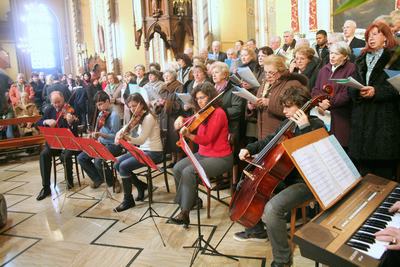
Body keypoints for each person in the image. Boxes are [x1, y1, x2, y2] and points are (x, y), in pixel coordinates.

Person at [237, 87, 325, 267]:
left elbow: (316, 156)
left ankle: (283, 260)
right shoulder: (286, 124)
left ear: (302, 107)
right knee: (243, 184)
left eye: (288, 107)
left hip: (305, 181)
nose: (284, 111)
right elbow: (268, 141)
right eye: (283, 107)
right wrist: (250, 149)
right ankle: (256, 229)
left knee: (272, 209)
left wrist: (305, 127)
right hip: (285, 177)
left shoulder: (316, 125)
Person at [170, 82, 233, 227]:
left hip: (220, 157)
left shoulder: (218, 113)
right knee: (178, 168)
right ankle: (194, 201)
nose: (200, 101)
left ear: (211, 96)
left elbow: (207, 140)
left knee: (189, 171)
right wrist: (181, 119)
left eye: (203, 97)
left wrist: (189, 135)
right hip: (204, 154)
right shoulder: (203, 112)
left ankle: (184, 212)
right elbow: (190, 121)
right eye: (197, 98)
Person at [348, 22, 400, 180]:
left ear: (385, 36)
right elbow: (352, 83)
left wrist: (376, 92)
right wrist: (357, 90)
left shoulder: (395, 57)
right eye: (368, 35)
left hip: (383, 120)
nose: (371, 38)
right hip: (361, 121)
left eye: (376, 34)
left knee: (383, 177)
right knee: (362, 176)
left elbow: (397, 86)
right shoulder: (361, 57)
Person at [113, 93, 163, 212]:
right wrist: (118, 134)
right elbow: (127, 127)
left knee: (124, 167)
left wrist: (127, 139)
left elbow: (141, 140)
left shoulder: (149, 117)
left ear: (142, 104)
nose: (132, 109)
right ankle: (141, 186)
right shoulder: (139, 117)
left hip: (154, 152)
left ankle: (128, 200)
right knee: (116, 164)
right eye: (130, 107)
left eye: (135, 106)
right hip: (143, 150)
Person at [312, 41, 356, 149]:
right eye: (331, 53)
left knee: (341, 149)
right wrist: (320, 101)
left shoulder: (352, 69)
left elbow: (347, 93)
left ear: (345, 56)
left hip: (341, 117)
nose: (332, 56)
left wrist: (329, 102)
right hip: (323, 116)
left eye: (336, 54)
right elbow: (315, 89)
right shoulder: (324, 69)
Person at [36, 91, 79, 200]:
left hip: (68, 144)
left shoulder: (70, 110)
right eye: (54, 103)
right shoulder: (49, 110)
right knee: (44, 154)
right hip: (54, 144)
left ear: (63, 99)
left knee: (65, 155)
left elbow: (75, 131)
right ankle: (46, 188)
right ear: (51, 102)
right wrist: (46, 121)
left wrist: (70, 122)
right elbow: (38, 123)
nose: (57, 105)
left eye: (59, 102)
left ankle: (69, 181)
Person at [77, 91, 122, 191]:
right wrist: (93, 134)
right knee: (81, 158)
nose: (99, 108)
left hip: (113, 145)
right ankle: (98, 178)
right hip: (102, 143)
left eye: (100, 104)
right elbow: (98, 130)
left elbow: (116, 137)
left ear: (107, 101)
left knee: (98, 160)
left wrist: (101, 135)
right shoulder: (101, 114)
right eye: (97, 105)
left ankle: (113, 181)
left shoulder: (114, 115)